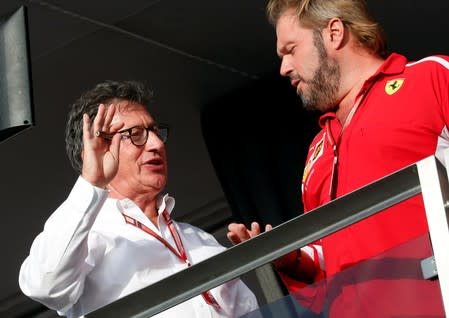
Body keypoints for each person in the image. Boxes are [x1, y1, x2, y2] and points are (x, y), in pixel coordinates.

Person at [228, 0, 449, 316]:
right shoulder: (318, 150)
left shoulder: (429, 79)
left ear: (334, 33)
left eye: (290, 49)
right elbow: (329, 261)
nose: (283, 68)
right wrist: (286, 258)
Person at [19, 80, 258, 318]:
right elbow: (45, 287)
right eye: (135, 135)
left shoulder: (199, 239)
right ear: (94, 153)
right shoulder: (88, 239)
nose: (155, 144)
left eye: (155, 132)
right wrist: (91, 183)